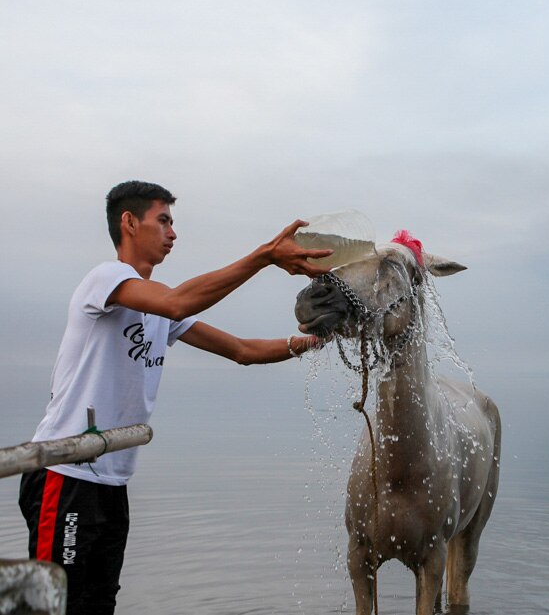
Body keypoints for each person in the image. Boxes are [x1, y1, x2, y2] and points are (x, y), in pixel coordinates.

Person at [18, 180, 334, 614]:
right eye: (163, 220)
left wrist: (318, 341)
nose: (173, 233)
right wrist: (263, 257)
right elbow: (177, 303)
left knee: (99, 603)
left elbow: (243, 351)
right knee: (54, 605)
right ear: (129, 223)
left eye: (173, 222)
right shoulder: (107, 279)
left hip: (111, 480)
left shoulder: (158, 311)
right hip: (66, 474)